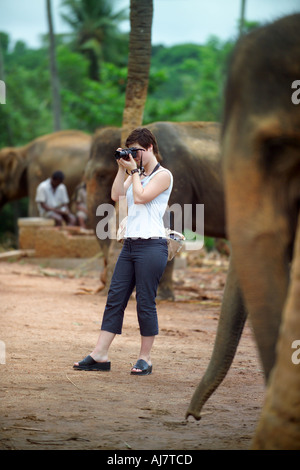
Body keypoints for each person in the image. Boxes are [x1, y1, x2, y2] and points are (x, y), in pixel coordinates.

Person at [74, 127, 173, 375]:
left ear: (150, 148)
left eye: (137, 151)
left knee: (145, 302)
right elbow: (117, 194)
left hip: (152, 245)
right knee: (115, 298)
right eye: (131, 151)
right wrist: (122, 168)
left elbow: (140, 198)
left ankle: (145, 359)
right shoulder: (133, 173)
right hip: (129, 245)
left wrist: (134, 172)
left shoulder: (163, 176)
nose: (135, 156)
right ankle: (100, 355)